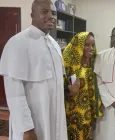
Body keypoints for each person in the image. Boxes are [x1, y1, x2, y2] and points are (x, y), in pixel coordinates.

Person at [0, 0, 68, 140]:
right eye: (44, 12)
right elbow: (14, 94)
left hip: (55, 118)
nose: (51, 16)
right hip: (34, 122)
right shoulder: (17, 43)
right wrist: (27, 129)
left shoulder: (55, 45)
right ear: (33, 15)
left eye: (53, 13)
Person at [63, 32, 103, 140]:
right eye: (87, 45)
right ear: (78, 46)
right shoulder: (69, 66)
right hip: (72, 116)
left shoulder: (94, 65)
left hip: (89, 115)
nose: (91, 48)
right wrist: (69, 91)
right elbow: (58, 90)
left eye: (93, 45)